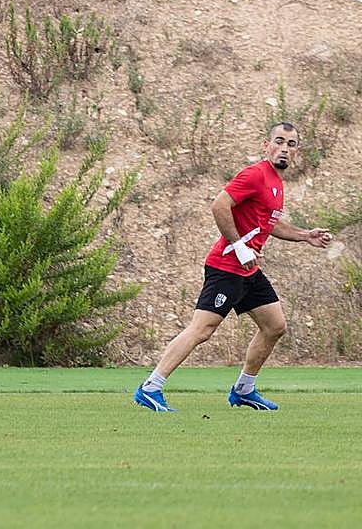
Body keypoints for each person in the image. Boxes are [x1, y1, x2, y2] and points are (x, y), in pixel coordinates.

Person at [134, 121, 333, 413]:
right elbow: (219, 205)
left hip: (248, 271)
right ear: (266, 145)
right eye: (279, 141)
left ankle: (244, 390)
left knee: (274, 326)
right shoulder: (255, 175)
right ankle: (150, 387)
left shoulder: (276, 184)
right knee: (202, 329)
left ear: (296, 151)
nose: (284, 148)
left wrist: (305, 235)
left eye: (291, 144)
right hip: (226, 266)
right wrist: (239, 247)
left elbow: (270, 223)